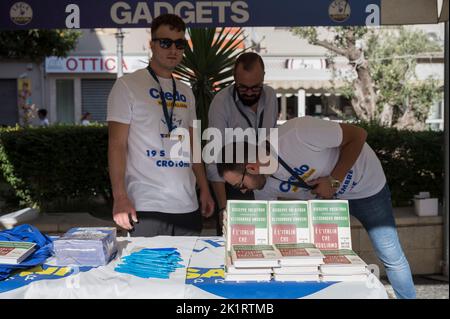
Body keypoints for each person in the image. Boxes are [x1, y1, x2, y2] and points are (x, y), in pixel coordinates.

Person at [216, 116, 416, 299]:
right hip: (328, 204)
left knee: (390, 255)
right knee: (323, 262)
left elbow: (358, 134)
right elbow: (269, 232)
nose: (243, 191)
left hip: (366, 186)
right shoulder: (263, 185)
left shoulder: (298, 133)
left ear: (252, 167)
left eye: (240, 185)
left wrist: (334, 180)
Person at [107, 13, 214, 237]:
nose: (173, 49)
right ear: (152, 44)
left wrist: (204, 188)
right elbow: (116, 145)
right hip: (146, 206)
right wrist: (120, 197)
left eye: (179, 44)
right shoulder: (127, 86)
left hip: (188, 205)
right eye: (165, 42)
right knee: (147, 272)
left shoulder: (186, 91)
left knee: (187, 271)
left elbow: (193, 145)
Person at [207, 52, 279, 234]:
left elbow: (271, 139)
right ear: (234, 78)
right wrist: (224, 208)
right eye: (243, 87)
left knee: (268, 239)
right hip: (234, 183)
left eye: (255, 88)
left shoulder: (270, 96)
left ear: (263, 77)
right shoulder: (221, 102)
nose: (249, 93)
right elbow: (213, 158)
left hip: (263, 178)